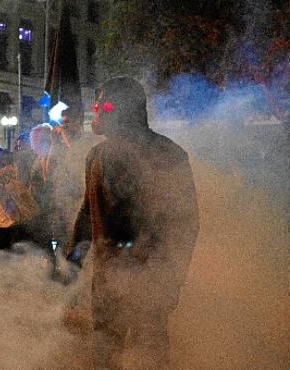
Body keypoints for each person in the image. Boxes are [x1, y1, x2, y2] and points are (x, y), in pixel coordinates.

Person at [67, 77, 200, 369]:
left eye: (102, 105)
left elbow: (184, 223)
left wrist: (71, 268)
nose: (96, 111)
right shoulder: (101, 155)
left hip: (142, 279)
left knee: (132, 355)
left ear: (119, 110)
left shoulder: (161, 155)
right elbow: (87, 218)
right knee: (124, 354)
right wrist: (72, 266)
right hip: (122, 278)